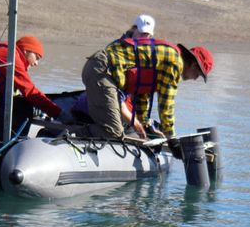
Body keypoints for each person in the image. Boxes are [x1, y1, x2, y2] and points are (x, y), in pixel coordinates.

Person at [73, 14, 214, 141]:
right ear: (194, 65)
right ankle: (67, 136)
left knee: (115, 127)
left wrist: (144, 124)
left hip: (99, 68)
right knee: (113, 133)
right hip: (102, 71)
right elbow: (166, 105)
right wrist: (172, 138)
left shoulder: (164, 58)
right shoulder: (175, 62)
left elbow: (143, 94)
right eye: (198, 75)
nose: (195, 78)